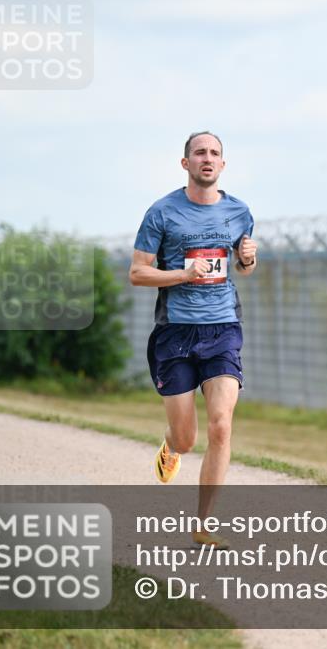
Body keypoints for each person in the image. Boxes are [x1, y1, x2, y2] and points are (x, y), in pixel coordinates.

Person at [129, 131, 256, 549]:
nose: (208, 158)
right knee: (187, 438)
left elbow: (241, 264)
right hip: (175, 333)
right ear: (185, 163)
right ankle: (171, 446)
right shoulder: (162, 213)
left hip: (222, 329)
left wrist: (247, 258)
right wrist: (183, 275)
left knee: (221, 426)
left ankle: (202, 523)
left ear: (223, 164)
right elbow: (138, 273)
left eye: (215, 153)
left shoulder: (239, 211)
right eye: (200, 152)